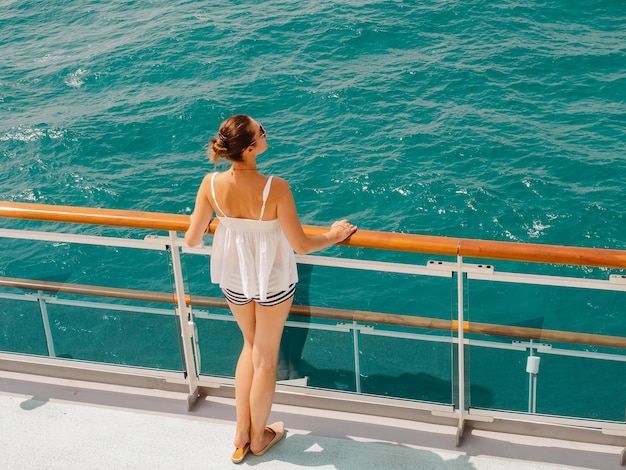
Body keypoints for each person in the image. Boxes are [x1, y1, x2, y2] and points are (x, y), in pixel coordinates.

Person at [185, 114, 357, 464]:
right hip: (273, 281)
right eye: (261, 131)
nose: (266, 133)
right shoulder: (274, 187)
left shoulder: (210, 184)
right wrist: (336, 235)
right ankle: (260, 438)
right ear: (250, 149)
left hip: (234, 277)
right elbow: (302, 245)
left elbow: (191, 238)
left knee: (249, 348)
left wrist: (230, 227)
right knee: (265, 358)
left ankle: (241, 432)